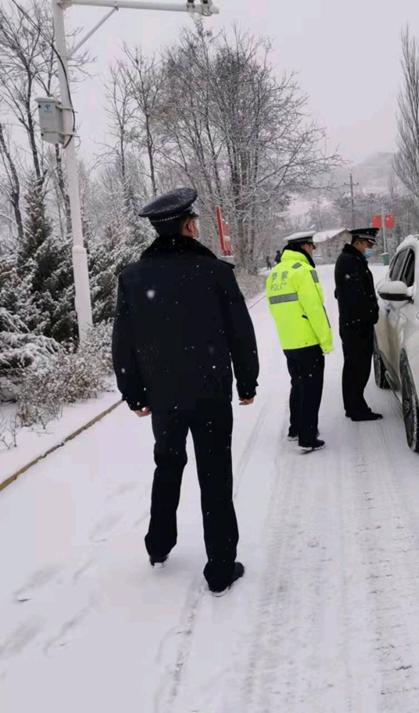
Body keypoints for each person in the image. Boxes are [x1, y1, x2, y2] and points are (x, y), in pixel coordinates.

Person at [112, 187, 258, 595]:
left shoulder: (133, 278)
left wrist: (134, 393)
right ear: (188, 226)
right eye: (195, 222)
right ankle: (220, 567)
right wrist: (247, 381)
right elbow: (240, 335)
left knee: (168, 466)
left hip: (165, 398)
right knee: (215, 477)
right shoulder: (215, 273)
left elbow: (123, 341)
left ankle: (159, 546)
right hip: (210, 392)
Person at [266, 231, 334, 452]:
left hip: (289, 342)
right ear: (304, 247)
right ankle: (307, 437)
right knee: (312, 390)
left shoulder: (275, 273)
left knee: (298, 385)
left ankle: (295, 428)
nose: (313, 250)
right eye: (312, 246)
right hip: (308, 341)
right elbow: (315, 309)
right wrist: (326, 341)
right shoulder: (303, 271)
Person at [334, 227, 382, 421]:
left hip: (355, 324)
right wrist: (369, 314)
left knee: (355, 368)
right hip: (356, 326)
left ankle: (354, 406)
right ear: (359, 242)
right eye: (368, 244)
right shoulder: (349, 261)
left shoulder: (352, 259)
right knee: (357, 369)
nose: (369, 248)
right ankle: (356, 409)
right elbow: (355, 296)